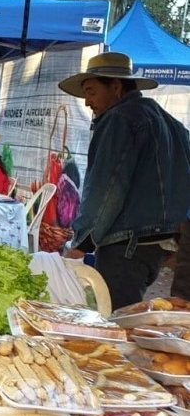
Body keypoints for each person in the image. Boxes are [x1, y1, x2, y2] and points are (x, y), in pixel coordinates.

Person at [58, 51, 190, 309]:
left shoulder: (120, 118)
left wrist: (82, 242)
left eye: (92, 91)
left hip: (127, 245)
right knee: (128, 314)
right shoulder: (172, 123)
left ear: (116, 87)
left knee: (114, 321)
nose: (87, 102)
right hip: (159, 244)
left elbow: (106, 188)